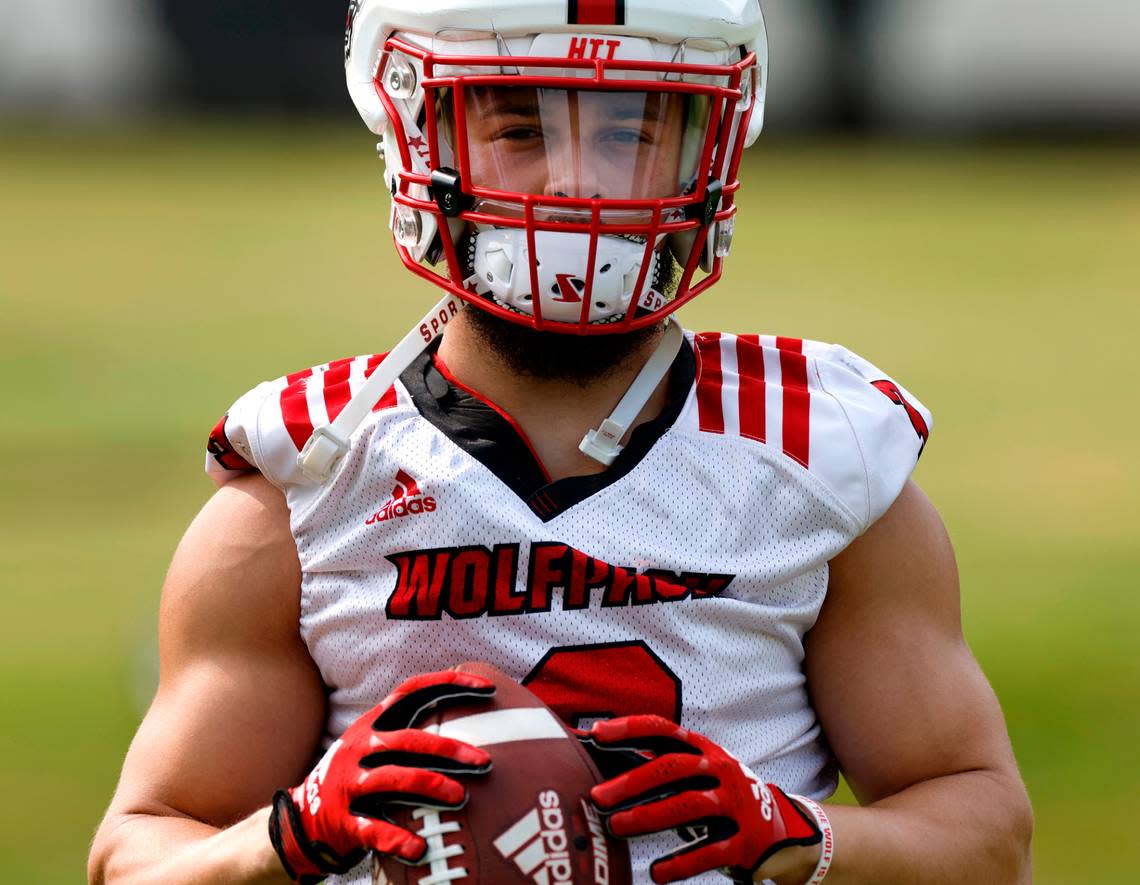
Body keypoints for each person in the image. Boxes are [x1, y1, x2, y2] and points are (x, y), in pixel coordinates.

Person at [88, 2, 1033, 884]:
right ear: (417, 134)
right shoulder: (308, 481)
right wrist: (291, 831)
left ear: (708, 151)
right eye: (519, 130)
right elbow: (138, 853)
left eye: (630, 132)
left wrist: (801, 836)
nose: (576, 179)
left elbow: (988, 833)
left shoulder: (816, 457)